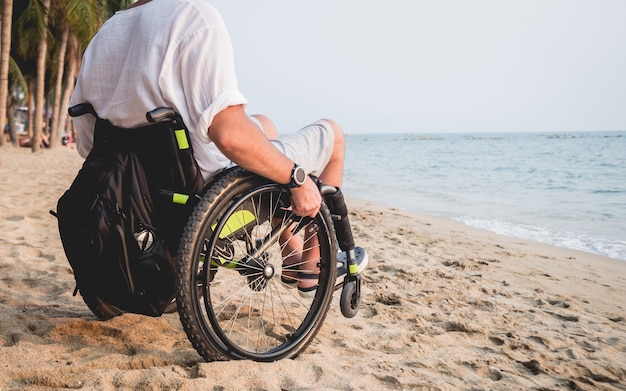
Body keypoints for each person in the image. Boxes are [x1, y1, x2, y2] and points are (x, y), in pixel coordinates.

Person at [69, 0, 366, 295]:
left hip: (139, 197)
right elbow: (231, 136)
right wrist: (296, 178)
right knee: (333, 135)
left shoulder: (105, 34)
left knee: (263, 124)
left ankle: (290, 250)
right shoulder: (193, 17)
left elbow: (88, 144)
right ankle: (310, 266)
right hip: (206, 193)